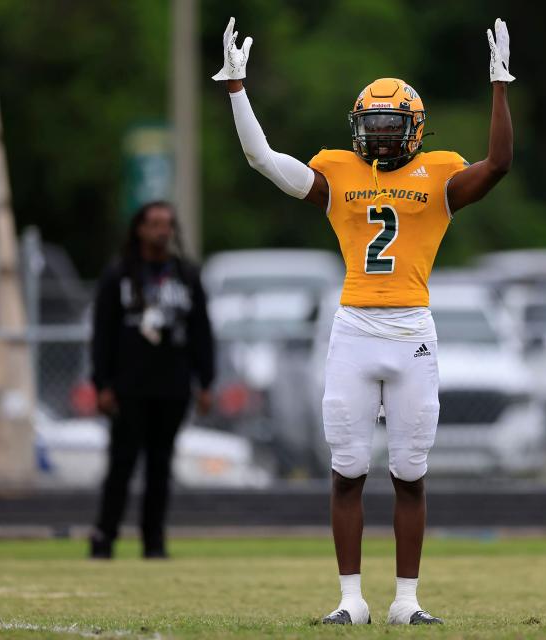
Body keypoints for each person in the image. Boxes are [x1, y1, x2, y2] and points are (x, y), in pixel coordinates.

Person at [212, 16, 514, 625]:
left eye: (389, 126)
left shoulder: (440, 173)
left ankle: (407, 600)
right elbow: (262, 159)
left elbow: (499, 164)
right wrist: (237, 90)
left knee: (410, 473)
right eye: (371, 126)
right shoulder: (338, 171)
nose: (378, 137)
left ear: (414, 130)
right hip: (353, 329)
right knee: (346, 470)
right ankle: (350, 597)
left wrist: (499, 85)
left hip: (411, 332)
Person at [88, 201, 215, 560]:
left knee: (161, 466)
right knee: (122, 464)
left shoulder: (186, 275)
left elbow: (201, 332)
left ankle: (153, 541)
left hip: (172, 386)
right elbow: (103, 334)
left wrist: (205, 381)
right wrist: (102, 384)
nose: (162, 230)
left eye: (168, 224)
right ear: (140, 229)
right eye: (155, 223)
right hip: (129, 387)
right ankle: (104, 537)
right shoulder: (120, 275)